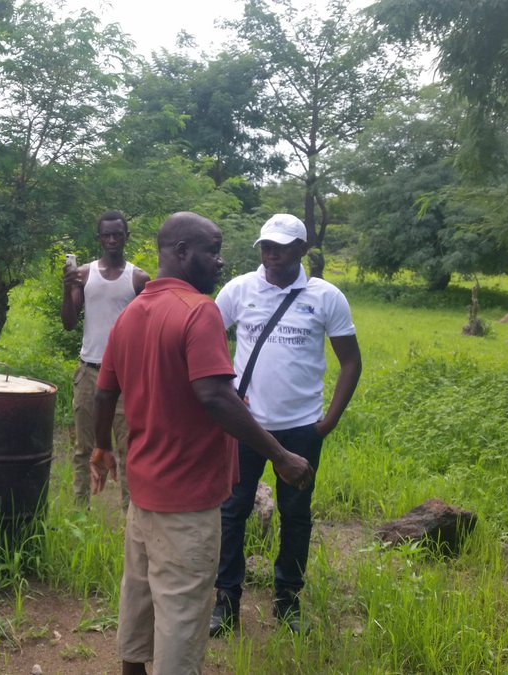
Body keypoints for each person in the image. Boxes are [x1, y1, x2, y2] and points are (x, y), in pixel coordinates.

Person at [91, 212, 314, 675]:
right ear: (182, 252)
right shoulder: (198, 311)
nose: (220, 261)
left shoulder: (132, 312)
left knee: (139, 600)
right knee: (182, 617)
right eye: (212, 251)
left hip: (143, 494)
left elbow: (103, 390)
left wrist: (101, 447)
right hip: (187, 502)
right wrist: (280, 454)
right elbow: (214, 395)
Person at [209, 213, 362, 635]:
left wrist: (325, 424)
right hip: (244, 425)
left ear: (302, 249)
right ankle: (226, 602)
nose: (271, 253)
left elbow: (350, 361)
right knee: (232, 510)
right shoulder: (239, 289)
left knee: (296, 514)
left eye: (280, 245)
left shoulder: (325, 296)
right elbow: (205, 338)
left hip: (301, 428)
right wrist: (226, 390)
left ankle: (287, 601)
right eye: (265, 246)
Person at [61, 211, 149, 506]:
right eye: (106, 235)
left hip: (125, 376)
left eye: (117, 234)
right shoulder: (85, 275)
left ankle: (130, 516)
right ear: (99, 238)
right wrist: (67, 289)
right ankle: (80, 511)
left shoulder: (138, 279)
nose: (112, 240)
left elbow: (146, 330)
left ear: (126, 237)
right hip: (89, 371)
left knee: (127, 450)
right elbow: (69, 323)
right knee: (83, 448)